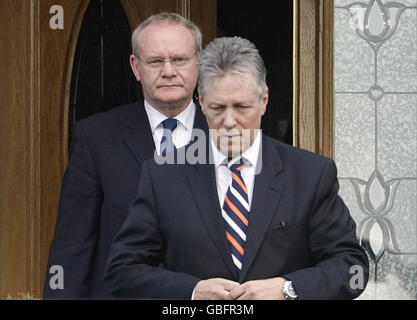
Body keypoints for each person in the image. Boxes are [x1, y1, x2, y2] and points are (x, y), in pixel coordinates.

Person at [104, 37, 369, 300]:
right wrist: (192, 291)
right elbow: (121, 272)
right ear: (202, 104)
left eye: (241, 107)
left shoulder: (310, 174)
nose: (229, 121)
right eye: (218, 108)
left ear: (264, 101)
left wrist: (287, 288)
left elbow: (351, 267)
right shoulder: (163, 176)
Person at [44, 13, 208, 299]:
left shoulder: (228, 136)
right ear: (136, 67)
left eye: (180, 59)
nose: (168, 71)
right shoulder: (97, 137)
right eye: (156, 61)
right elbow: (72, 247)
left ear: (199, 62)